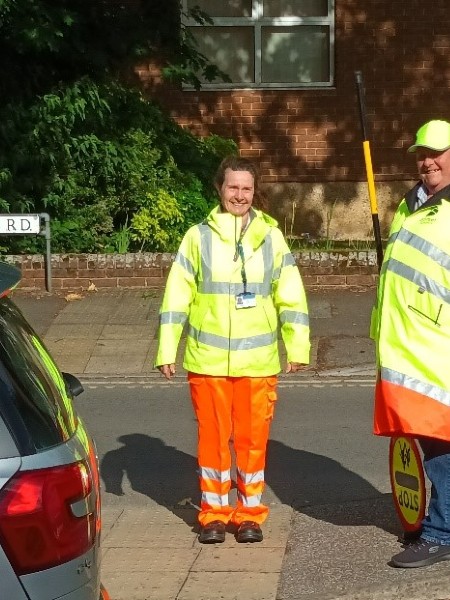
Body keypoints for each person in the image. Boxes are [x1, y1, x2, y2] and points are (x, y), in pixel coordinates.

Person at [155, 155, 310, 544]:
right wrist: (166, 349)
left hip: (257, 363)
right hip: (208, 362)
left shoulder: (271, 237)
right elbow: (177, 295)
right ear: (219, 189)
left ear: (255, 192)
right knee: (213, 440)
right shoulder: (197, 237)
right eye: (232, 187)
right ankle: (213, 513)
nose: (239, 195)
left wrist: (298, 347)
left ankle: (249, 515)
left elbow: (290, 295)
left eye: (246, 188)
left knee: (252, 441)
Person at [371, 119, 450, 567]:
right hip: (406, 347)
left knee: (442, 442)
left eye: (437, 152)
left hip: (437, 348)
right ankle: (437, 521)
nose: (427, 160)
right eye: (421, 152)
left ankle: (441, 532)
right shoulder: (412, 203)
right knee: (427, 438)